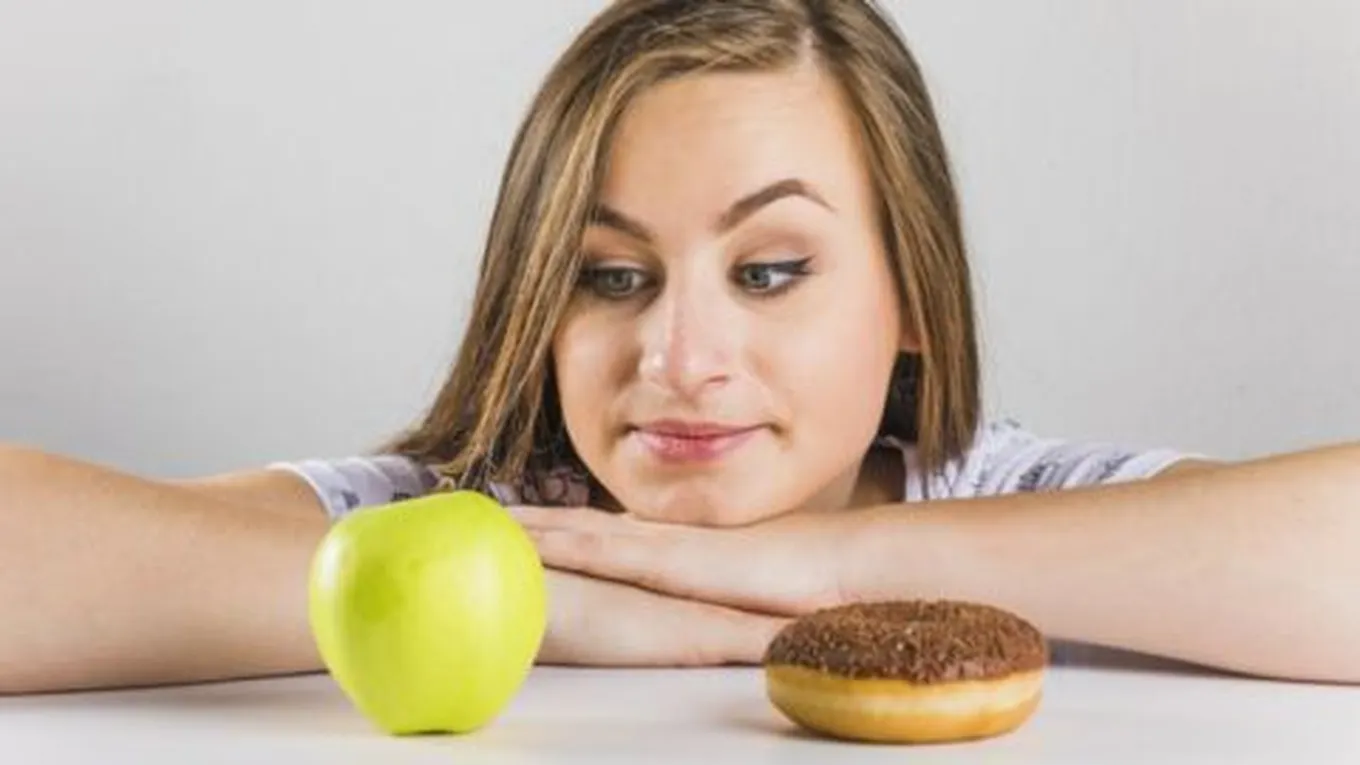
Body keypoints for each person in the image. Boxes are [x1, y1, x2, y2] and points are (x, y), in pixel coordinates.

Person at [2, 0, 1358, 695]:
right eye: (611, 277)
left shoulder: (1007, 500)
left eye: (768, 272)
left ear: (914, 297)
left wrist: (828, 567)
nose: (681, 355)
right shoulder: (477, 522)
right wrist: (549, 605)